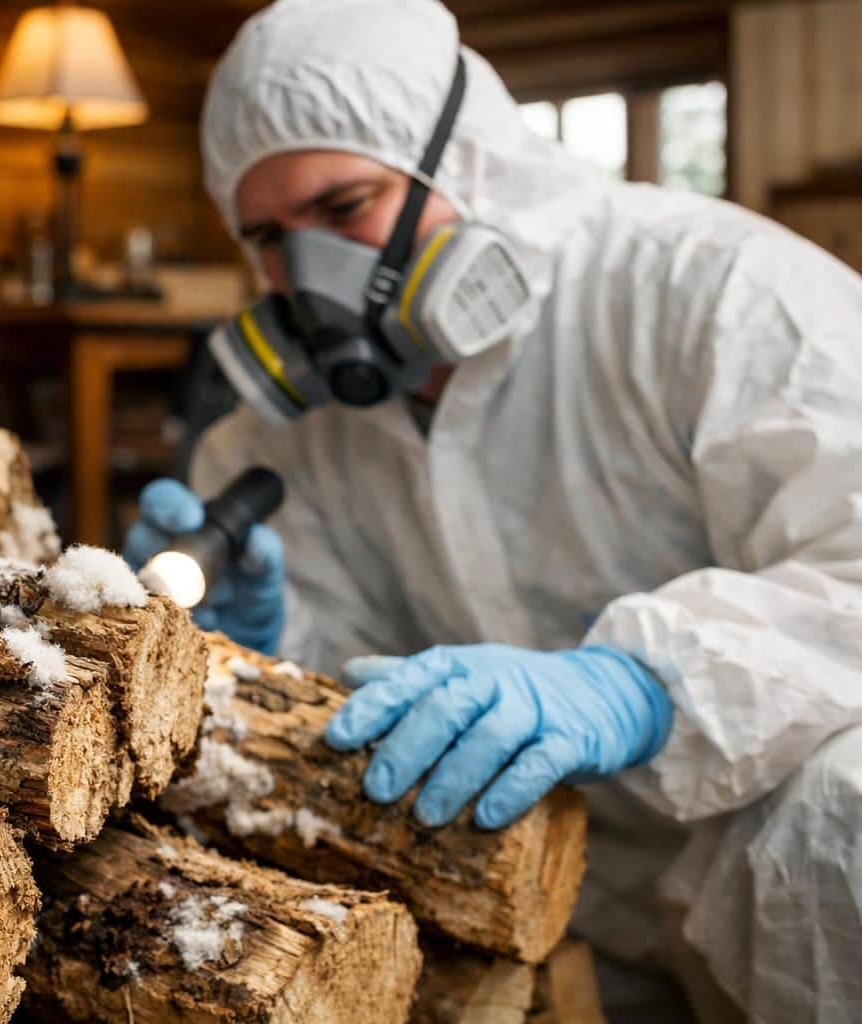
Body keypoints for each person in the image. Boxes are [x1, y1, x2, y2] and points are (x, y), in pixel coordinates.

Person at [122, 2, 862, 1021]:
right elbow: (342, 698)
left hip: (764, 867)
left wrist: (644, 683)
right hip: (532, 892)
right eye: (267, 236)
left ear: (466, 163)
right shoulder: (279, 438)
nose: (308, 278)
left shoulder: (709, 291)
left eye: (347, 209)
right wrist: (264, 641)